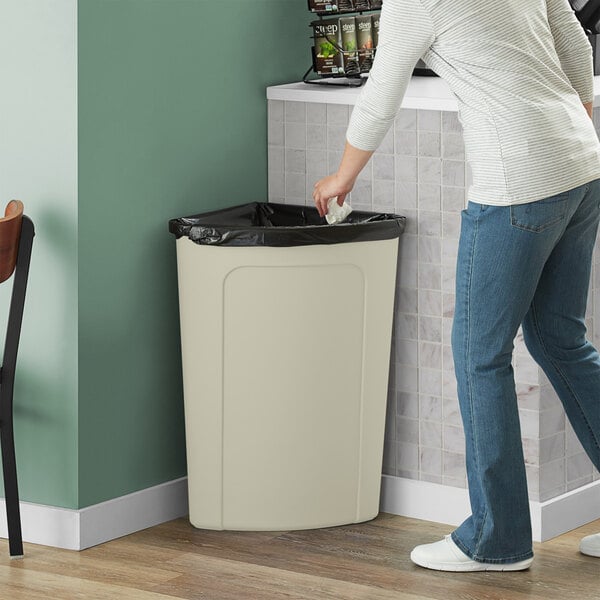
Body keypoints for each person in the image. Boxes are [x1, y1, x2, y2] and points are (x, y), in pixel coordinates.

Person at [313, 0, 600, 572]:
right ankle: (499, 531)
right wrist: (574, 125)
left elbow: (380, 92)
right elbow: (575, 45)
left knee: (479, 356)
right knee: (560, 340)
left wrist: (342, 176)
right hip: (580, 164)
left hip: (518, 177)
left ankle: (497, 538)